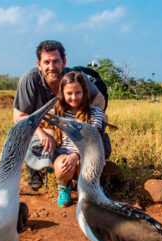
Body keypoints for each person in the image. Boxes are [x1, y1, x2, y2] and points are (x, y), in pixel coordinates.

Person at [13, 40, 106, 190]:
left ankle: (83, 173)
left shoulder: (75, 77)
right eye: (46, 62)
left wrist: (90, 117)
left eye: (56, 61)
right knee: (39, 136)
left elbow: (99, 97)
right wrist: (41, 133)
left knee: (94, 133)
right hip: (46, 126)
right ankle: (37, 168)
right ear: (39, 64)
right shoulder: (30, 80)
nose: (52, 67)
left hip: (74, 124)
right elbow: (19, 116)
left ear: (64, 62)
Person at [47, 71, 104, 207]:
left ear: (84, 92)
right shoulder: (56, 111)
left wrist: (76, 156)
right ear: (62, 93)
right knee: (62, 166)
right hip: (63, 153)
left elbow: (91, 140)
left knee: (81, 165)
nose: (74, 97)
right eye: (69, 93)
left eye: (78, 92)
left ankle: (86, 191)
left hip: (87, 153)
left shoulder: (94, 112)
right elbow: (41, 123)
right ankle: (64, 186)